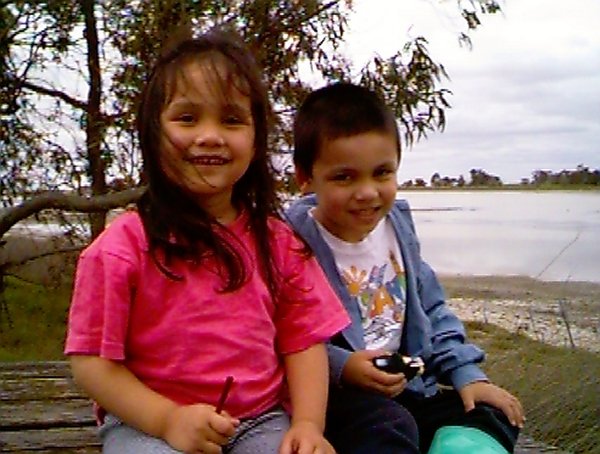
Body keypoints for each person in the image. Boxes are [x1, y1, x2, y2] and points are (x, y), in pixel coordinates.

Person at [64, 29, 350, 454]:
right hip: (147, 424)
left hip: (261, 419)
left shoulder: (279, 243)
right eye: (187, 118)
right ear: (152, 132)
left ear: (255, 141)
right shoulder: (121, 245)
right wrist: (168, 419)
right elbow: (90, 363)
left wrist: (308, 424)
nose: (211, 135)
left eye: (232, 120)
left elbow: (305, 342)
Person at [285, 82, 525, 454]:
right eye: (344, 177)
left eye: (382, 173)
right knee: (389, 428)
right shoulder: (291, 242)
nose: (367, 192)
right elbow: (283, 335)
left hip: (412, 387)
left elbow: (433, 310)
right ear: (305, 177)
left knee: (491, 413)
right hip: (337, 400)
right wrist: (343, 367)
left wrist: (466, 374)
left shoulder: (399, 229)